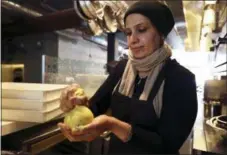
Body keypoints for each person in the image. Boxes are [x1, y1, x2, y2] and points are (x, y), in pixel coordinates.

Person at [58, 1, 198, 154]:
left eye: (141, 30)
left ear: (161, 34)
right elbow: (95, 108)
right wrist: (77, 104)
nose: (132, 39)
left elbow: (168, 145)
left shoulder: (181, 80)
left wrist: (113, 125)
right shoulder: (122, 68)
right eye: (129, 32)